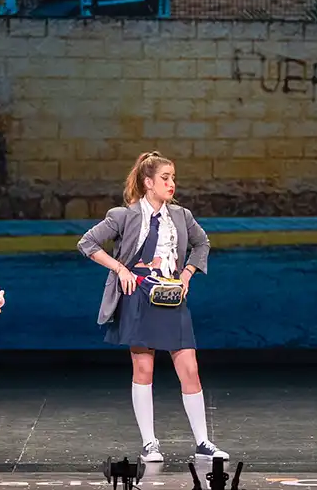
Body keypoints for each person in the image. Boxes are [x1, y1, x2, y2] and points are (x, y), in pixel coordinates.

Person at [77, 151, 229, 463]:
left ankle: (202, 441)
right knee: (143, 368)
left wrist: (187, 273)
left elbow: (203, 243)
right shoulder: (124, 215)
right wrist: (120, 269)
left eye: (173, 178)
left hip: (172, 295)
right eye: (165, 178)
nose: (172, 184)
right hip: (139, 295)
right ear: (149, 183)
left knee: (189, 368)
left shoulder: (181, 216)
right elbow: (87, 243)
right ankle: (150, 444)